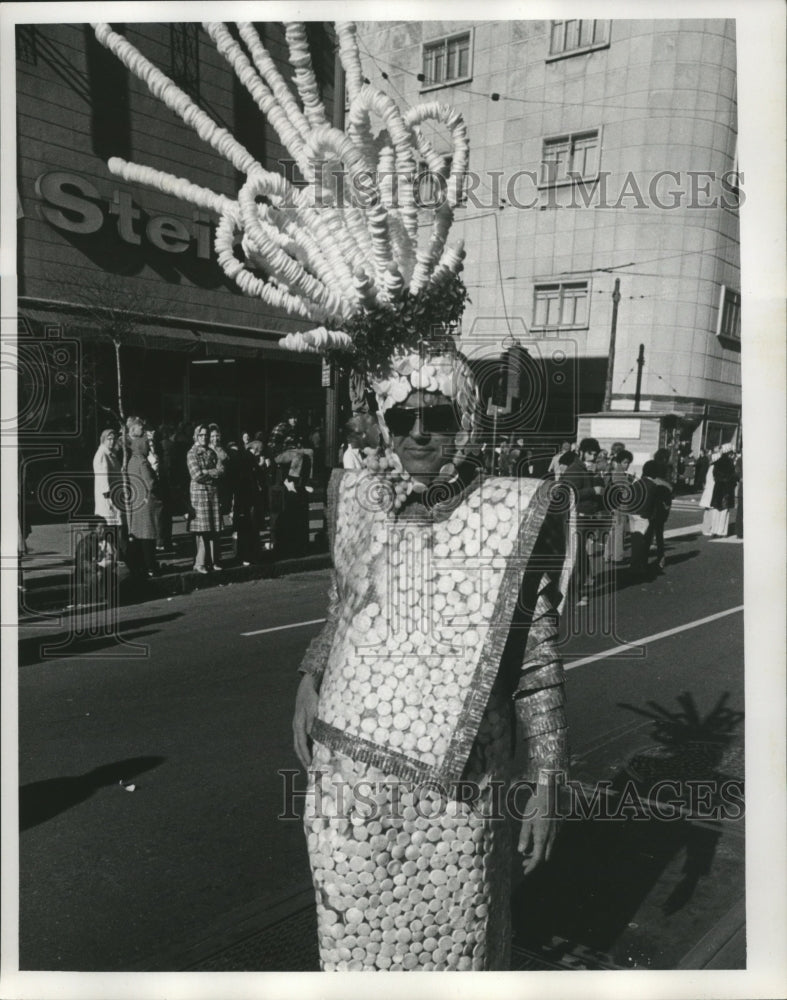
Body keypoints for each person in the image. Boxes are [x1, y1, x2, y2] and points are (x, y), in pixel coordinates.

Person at [293, 348, 574, 972]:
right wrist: (311, 675)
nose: (420, 432)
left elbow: (536, 654)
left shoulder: (515, 509)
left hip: (461, 783)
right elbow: (344, 603)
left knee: (456, 949)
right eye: (403, 417)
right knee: (351, 944)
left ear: (467, 419)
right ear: (385, 424)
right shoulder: (358, 497)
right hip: (352, 777)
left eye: (439, 415)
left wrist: (550, 774)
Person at [558, 438, 605, 607]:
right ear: (582, 452)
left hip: (586, 517)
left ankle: (576, 590)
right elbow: (568, 493)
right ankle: (573, 594)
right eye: (590, 453)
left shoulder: (586, 469)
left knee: (581, 556)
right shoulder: (575, 469)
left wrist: (597, 479)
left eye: (595, 453)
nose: (593, 456)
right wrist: (593, 490)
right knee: (576, 558)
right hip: (577, 517)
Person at [187, 424, 223, 573]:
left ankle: (214, 561)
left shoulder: (211, 451)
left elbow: (221, 471)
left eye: (206, 435)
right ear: (196, 436)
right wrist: (212, 473)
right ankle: (200, 563)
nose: (205, 438)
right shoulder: (192, 453)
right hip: (200, 494)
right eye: (201, 435)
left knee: (214, 528)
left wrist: (208, 472)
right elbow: (196, 475)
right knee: (202, 530)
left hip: (213, 493)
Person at [126, 434, 163, 579]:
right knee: (149, 536)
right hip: (147, 502)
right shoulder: (143, 462)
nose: (149, 447)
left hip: (137, 501)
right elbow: (151, 483)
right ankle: (151, 566)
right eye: (147, 444)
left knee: (140, 536)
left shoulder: (131, 461)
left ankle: (142, 566)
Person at [92, 428, 123, 564]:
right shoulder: (102, 455)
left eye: (113, 438)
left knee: (114, 527)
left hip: (114, 496)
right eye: (109, 439)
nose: (112, 441)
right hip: (108, 499)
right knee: (109, 527)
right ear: (103, 439)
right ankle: (108, 556)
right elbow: (103, 478)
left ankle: (113, 554)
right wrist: (109, 497)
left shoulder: (111, 454)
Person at [268, 408, 315, 493]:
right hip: (279, 454)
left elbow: (296, 443)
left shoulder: (294, 428)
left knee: (310, 452)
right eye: (292, 418)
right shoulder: (281, 427)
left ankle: (307, 481)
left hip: (291, 452)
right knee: (298, 454)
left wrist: (298, 446)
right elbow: (272, 444)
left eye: (295, 418)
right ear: (287, 418)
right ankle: (291, 480)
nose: (294, 420)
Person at [642, 459, 672, 572]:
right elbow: (668, 503)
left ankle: (643, 561)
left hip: (649, 513)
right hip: (660, 514)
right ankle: (661, 558)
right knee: (659, 536)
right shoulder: (667, 485)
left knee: (647, 537)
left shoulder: (648, 482)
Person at [604, 448, 633, 563]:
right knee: (619, 532)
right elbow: (623, 492)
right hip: (621, 507)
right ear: (620, 462)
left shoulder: (616, 473)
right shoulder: (620, 475)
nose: (627, 465)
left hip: (615, 507)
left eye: (628, 463)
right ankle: (617, 556)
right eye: (625, 462)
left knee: (613, 531)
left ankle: (608, 555)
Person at [709, 446, 738, 538]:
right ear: (729, 453)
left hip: (718, 488)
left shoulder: (717, 462)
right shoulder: (730, 463)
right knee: (725, 511)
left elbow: (714, 475)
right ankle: (722, 531)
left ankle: (714, 530)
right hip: (727, 489)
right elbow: (734, 477)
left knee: (716, 509)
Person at [699, 450, 720, 536]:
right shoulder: (714, 468)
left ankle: (705, 528)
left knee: (707, 511)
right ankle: (707, 528)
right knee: (710, 511)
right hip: (711, 491)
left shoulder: (710, 467)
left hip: (708, 490)